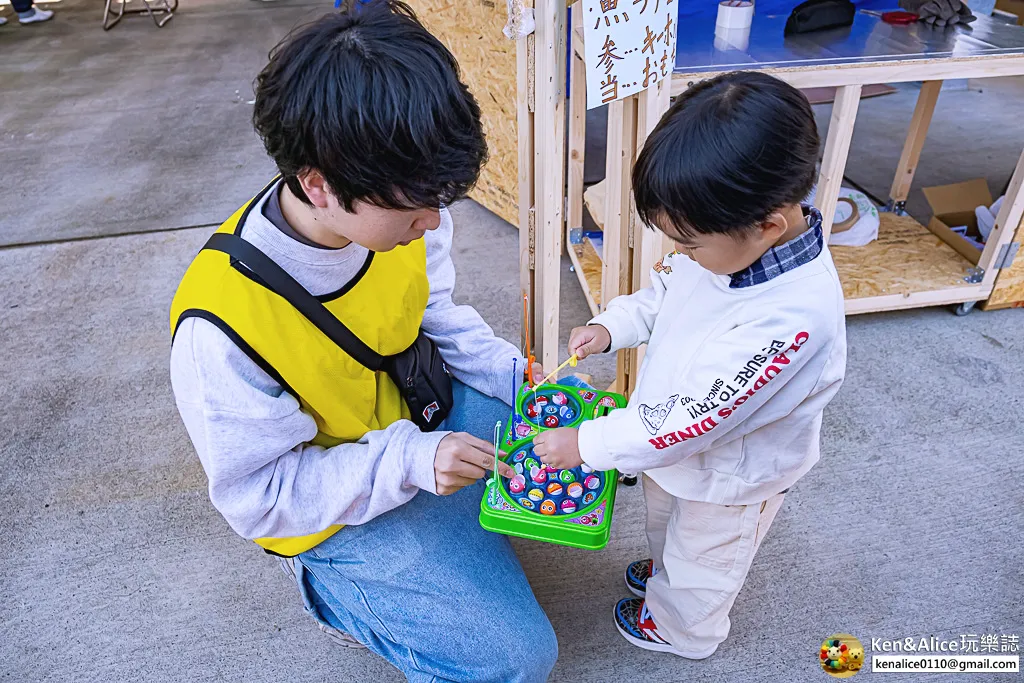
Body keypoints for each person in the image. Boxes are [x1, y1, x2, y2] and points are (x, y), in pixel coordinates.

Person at [168, 3, 557, 681]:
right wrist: (408, 461)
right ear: (318, 185)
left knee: (549, 424)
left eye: (441, 198)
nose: (433, 221)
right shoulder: (220, 325)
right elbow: (260, 497)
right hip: (334, 496)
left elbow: (436, 314)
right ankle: (338, 591)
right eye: (415, 207)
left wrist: (520, 377)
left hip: (413, 424)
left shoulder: (406, 202)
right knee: (513, 659)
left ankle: (446, 546)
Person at [533, 71, 847, 659]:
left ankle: (684, 628)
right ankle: (665, 572)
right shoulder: (726, 250)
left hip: (731, 475)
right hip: (671, 444)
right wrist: (613, 326)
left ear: (767, 226)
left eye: (690, 242)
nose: (681, 253)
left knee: (706, 557)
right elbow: (665, 293)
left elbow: (696, 419)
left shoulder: (792, 320)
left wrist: (587, 443)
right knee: (666, 522)